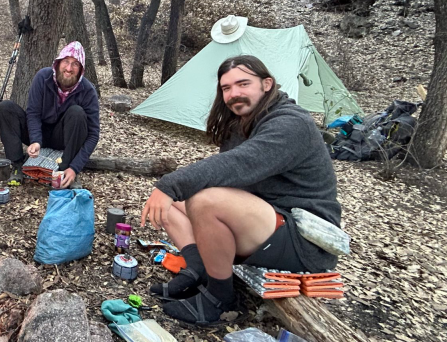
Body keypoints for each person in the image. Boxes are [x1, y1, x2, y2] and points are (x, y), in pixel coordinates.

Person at [140, 55, 340, 326]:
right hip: (267, 221)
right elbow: (228, 176)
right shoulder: (244, 121)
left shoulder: (291, 124)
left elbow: (239, 164)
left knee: (204, 201)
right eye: (226, 88)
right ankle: (198, 269)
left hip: (304, 239)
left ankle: (219, 300)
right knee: (175, 203)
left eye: (243, 84)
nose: (234, 93)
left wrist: (170, 185)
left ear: (267, 84)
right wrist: (172, 191)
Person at [0, 41, 100, 188]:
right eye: (66, 61)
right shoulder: (43, 77)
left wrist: (75, 168)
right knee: (5, 108)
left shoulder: (87, 91)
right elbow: (33, 113)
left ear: (81, 69)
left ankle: (66, 170)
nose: (69, 68)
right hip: (40, 134)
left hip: (64, 138)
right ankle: (17, 165)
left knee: (77, 112)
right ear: (58, 63)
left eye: (75, 64)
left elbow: (93, 134)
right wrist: (35, 140)